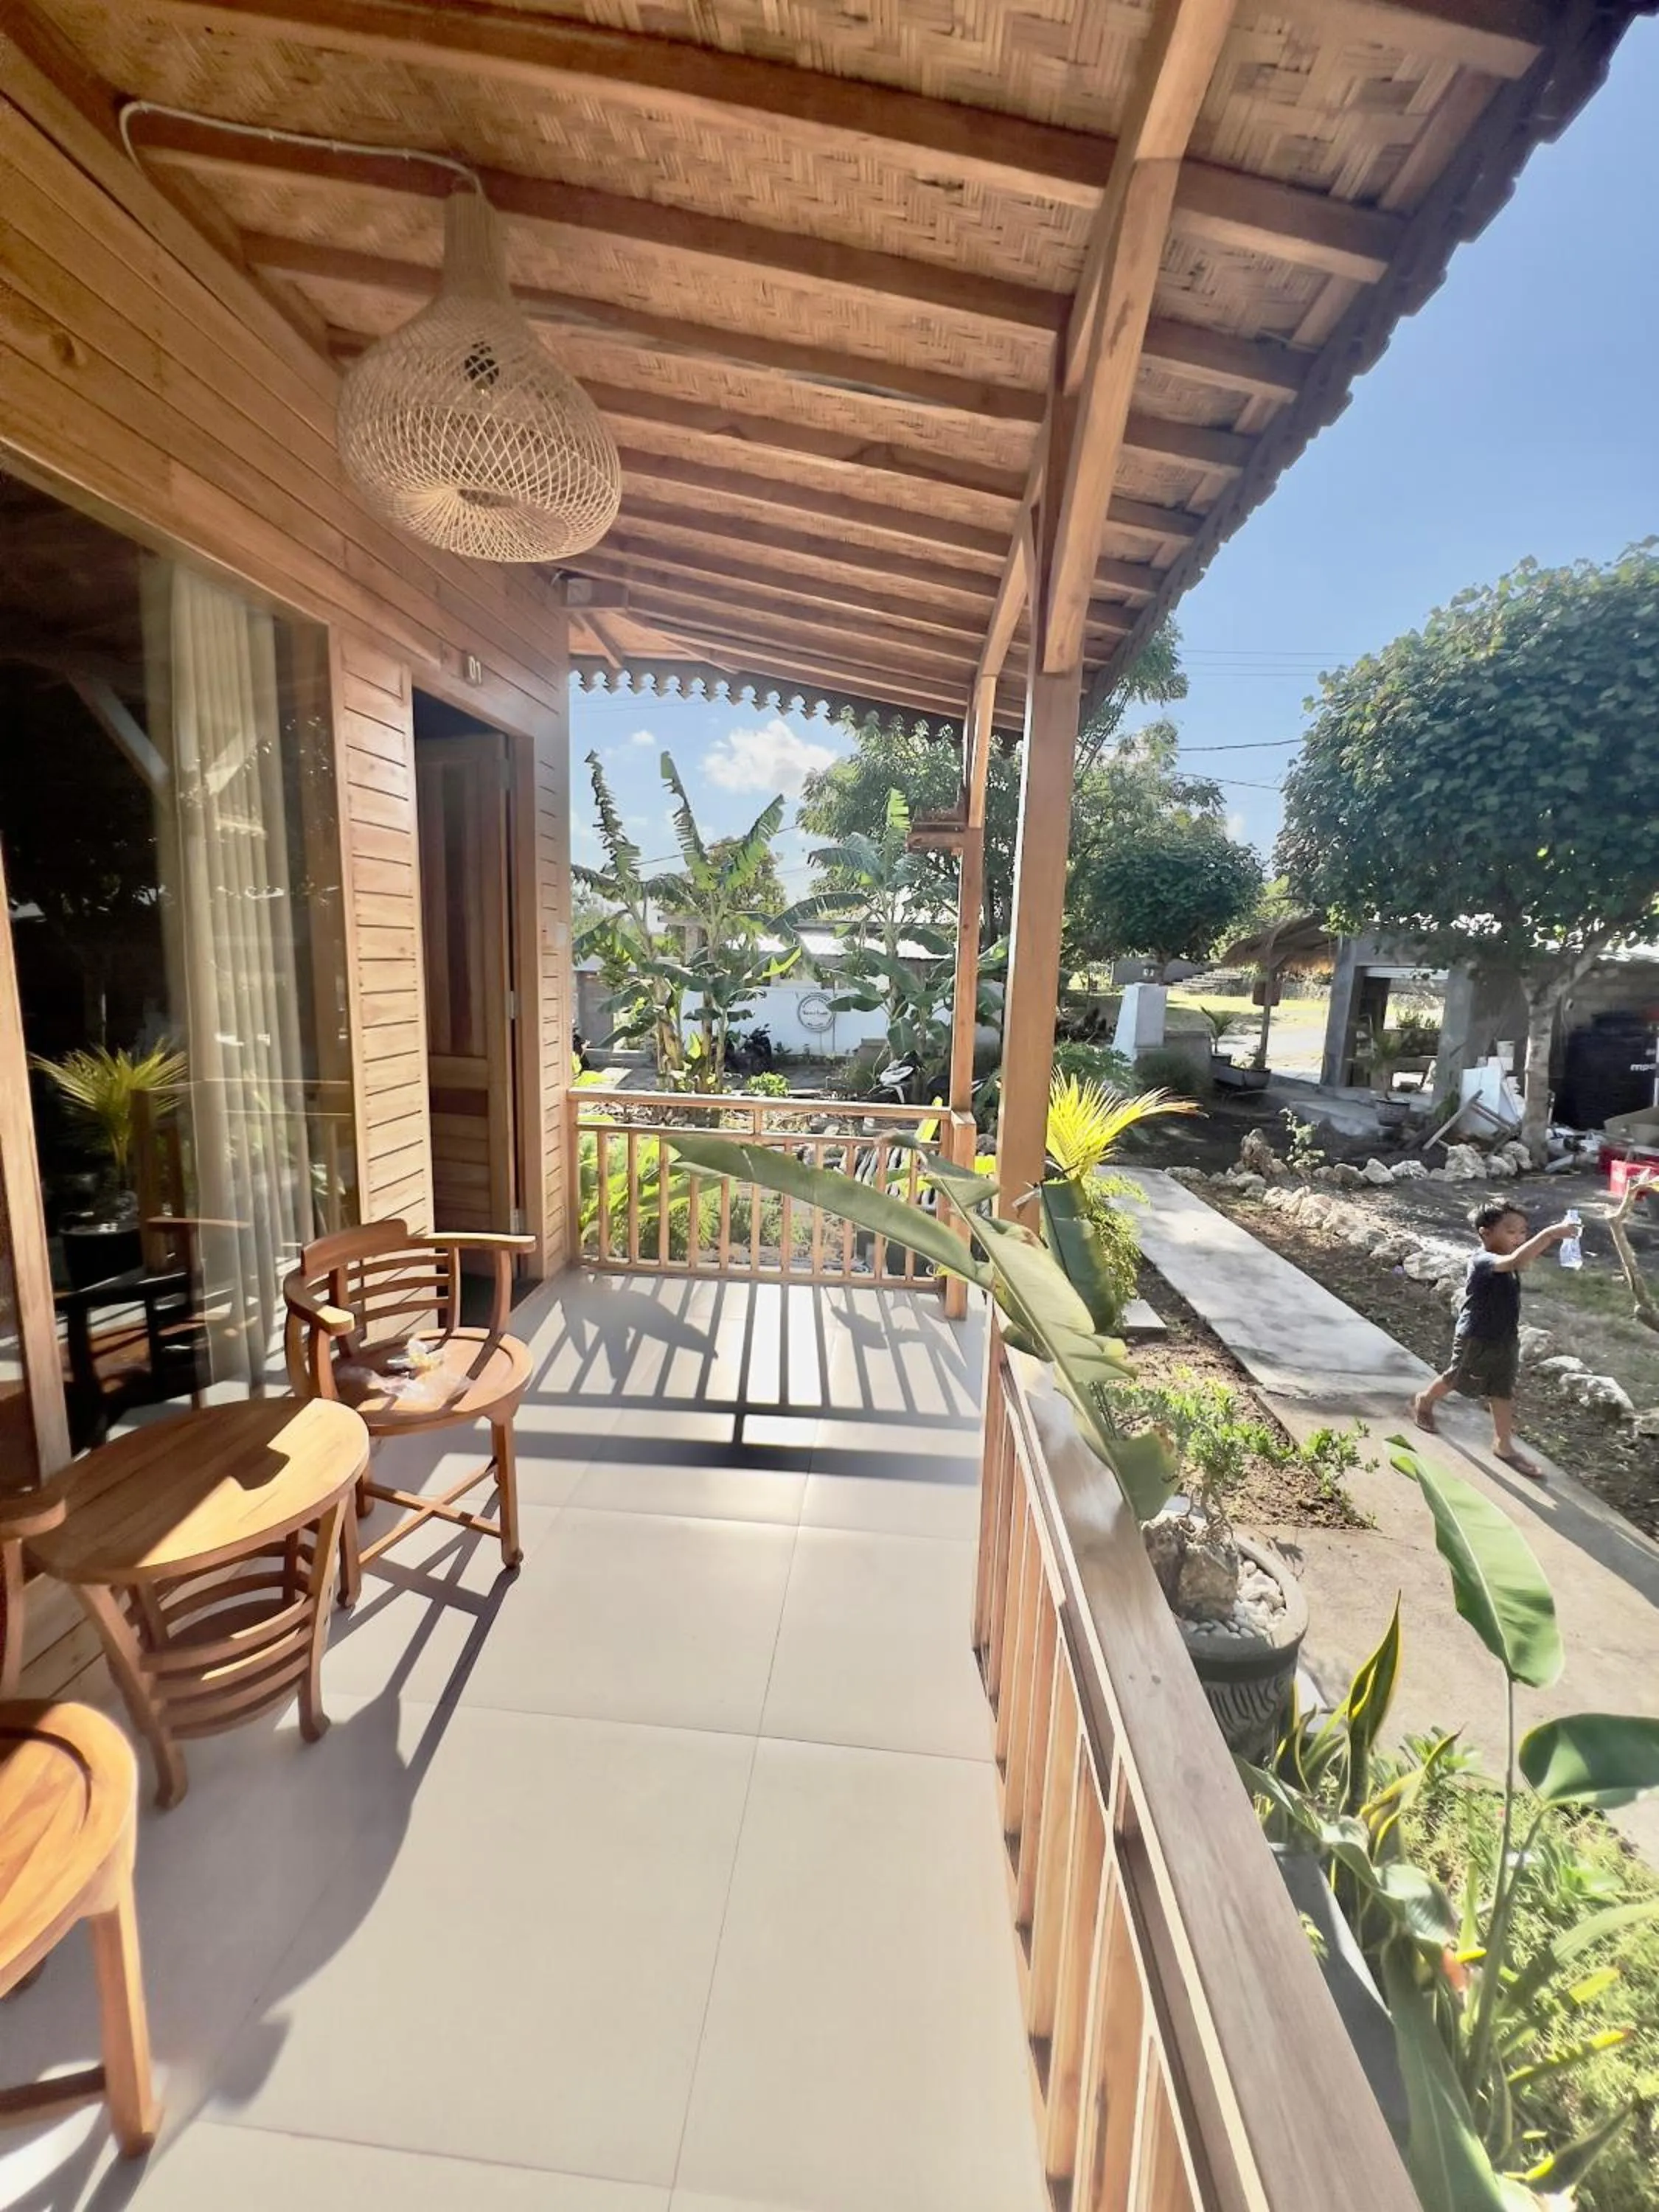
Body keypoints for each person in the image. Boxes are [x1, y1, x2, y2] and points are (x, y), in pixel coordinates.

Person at [1408, 1202, 1576, 1480]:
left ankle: (1504, 1445)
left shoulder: (1507, 1256)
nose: (1519, 1238)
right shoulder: (1483, 1260)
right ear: (1485, 1233)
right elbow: (1517, 1261)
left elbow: (1521, 1257)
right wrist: (1550, 1235)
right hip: (1477, 1336)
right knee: (1455, 1378)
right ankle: (1424, 1401)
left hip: (1506, 1337)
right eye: (1511, 1231)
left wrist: (1548, 1239)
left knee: (1503, 1390)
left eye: (1523, 1232)